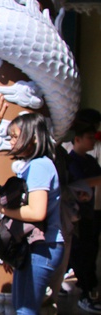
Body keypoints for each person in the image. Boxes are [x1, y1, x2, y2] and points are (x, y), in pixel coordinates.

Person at [0, 113, 64, 314]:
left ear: (34, 137)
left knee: (25, 310)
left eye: (16, 136)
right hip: (33, 248)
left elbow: (37, 212)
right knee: (21, 307)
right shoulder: (33, 166)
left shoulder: (39, 165)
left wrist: (4, 209)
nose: (11, 141)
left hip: (43, 248)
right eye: (10, 136)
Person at [66, 121, 101, 313]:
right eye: (89, 137)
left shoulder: (90, 161)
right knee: (81, 254)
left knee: (90, 250)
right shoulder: (70, 162)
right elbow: (78, 184)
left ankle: (88, 290)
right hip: (74, 217)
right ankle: (85, 294)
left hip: (90, 214)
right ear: (77, 139)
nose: (93, 141)